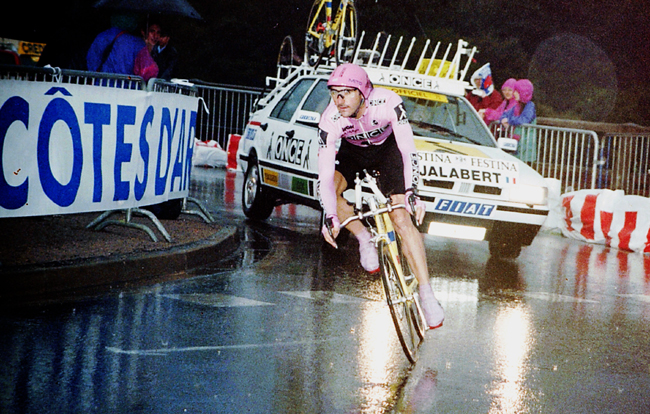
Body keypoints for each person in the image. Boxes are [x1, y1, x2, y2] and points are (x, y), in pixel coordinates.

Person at [317, 63, 444, 329]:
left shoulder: (387, 101)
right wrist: (329, 216)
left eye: (346, 93)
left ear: (363, 93)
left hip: (388, 151)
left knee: (400, 216)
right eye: (334, 93)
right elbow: (324, 176)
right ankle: (365, 239)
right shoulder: (330, 119)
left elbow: (408, 150)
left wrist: (412, 192)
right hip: (352, 153)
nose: (339, 100)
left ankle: (426, 293)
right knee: (331, 189)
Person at [86, 14, 158, 82]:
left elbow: (91, 60)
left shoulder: (102, 36)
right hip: (126, 88)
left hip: (101, 85)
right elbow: (149, 72)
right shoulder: (137, 44)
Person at [500, 78, 537, 162]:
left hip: (526, 143)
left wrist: (508, 120)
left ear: (523, 92)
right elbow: (505, 114)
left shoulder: (530, 106)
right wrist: (503, 119)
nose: (514, 93)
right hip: (516, 141)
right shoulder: (517, 105)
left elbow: (524, 119)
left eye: (516, 91)